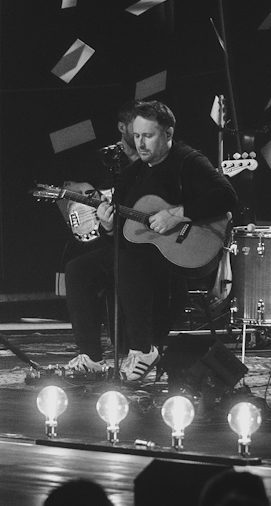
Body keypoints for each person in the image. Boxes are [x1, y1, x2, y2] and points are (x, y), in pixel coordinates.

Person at [65, 100, 237, 381]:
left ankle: (143, 350)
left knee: (128, 260)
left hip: (180, 255)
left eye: (148, 135)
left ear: (168, 134)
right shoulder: (132, 174)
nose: (140, 143)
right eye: (136, 136)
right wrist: (108, 226)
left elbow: (227, 196)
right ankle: (91, 358)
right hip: (141, 255)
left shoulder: (188, 160)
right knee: (77, 269)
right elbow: (123, 234)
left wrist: (177, 215)